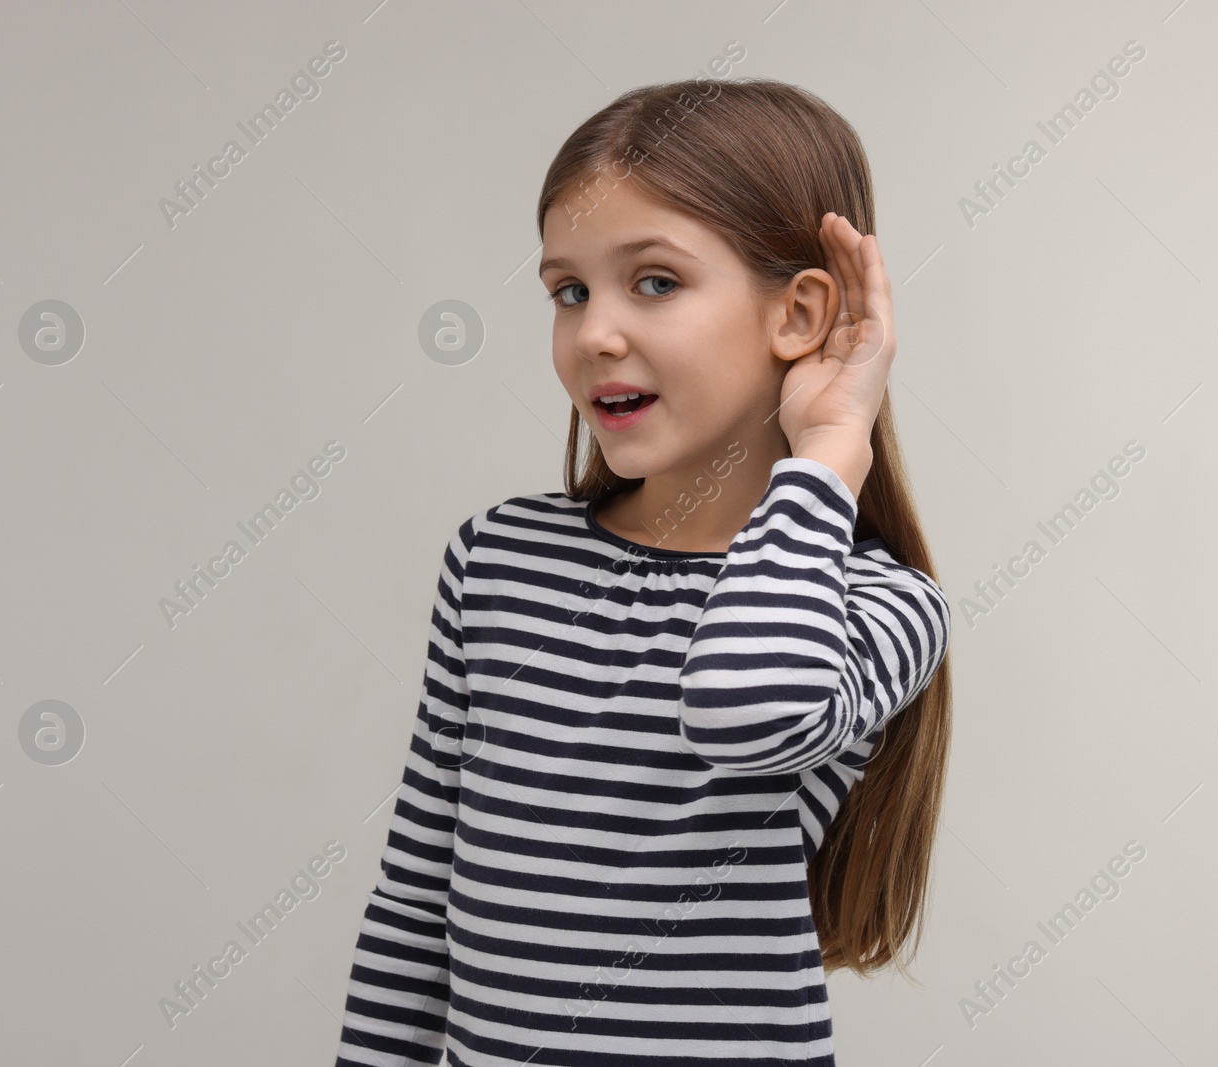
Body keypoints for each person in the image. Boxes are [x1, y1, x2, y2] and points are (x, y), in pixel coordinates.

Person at [334, 76, 953, 1067]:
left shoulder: (873, 606)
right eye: (567, 291)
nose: (593, 333)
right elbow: (417, 897)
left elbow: (742, 711)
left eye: (654, 281)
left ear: (799, 313)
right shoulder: (498, 560)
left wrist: (830, 446)